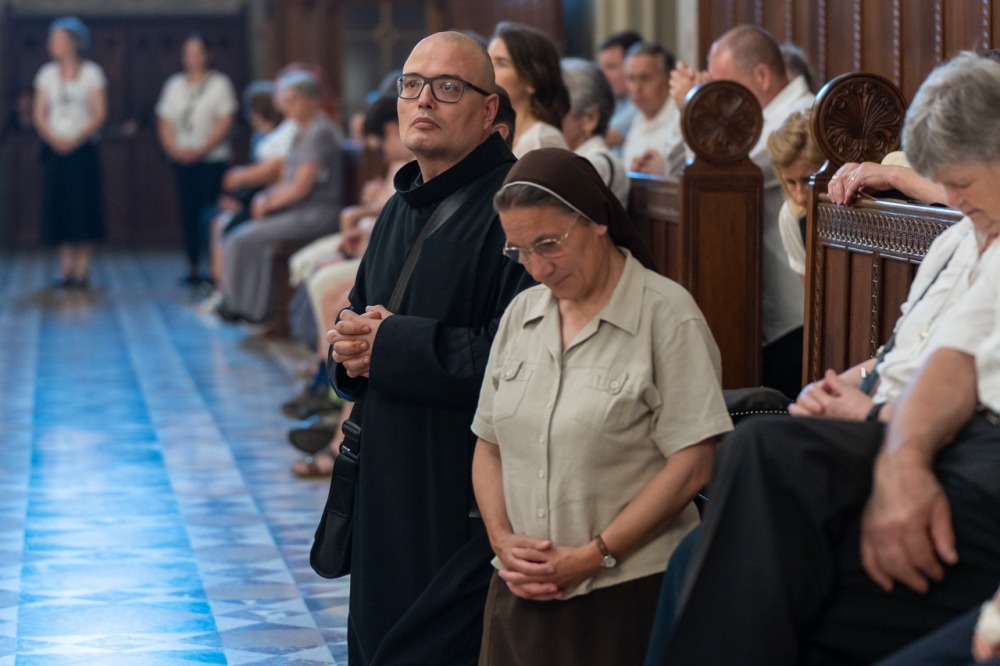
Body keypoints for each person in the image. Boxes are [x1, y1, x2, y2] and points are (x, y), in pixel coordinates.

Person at [654, 52, 1000, 665]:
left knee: (764, 461)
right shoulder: (970, 236)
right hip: (912, 426)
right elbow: (947, 356)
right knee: (728, 515)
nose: (950, 197)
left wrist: (883, 426)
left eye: (959, 184)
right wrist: (865, 405)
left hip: (968, 457)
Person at [471, 148, 731, 665]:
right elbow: (489, 444)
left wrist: (595, 554)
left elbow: (693, 463)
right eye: (520, 251)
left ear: (596, 221)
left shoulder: (666, 315)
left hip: (627, 593)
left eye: (549, 244)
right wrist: (502, 541)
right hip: (519, 591)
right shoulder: (521, 314)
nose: (537, 268)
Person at [325, 31, 534, 664]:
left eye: (447, 88)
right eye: (412, 85)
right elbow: (360, 316)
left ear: (489, 110)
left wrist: (388, 344)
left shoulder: (516, 207)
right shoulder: (400, 203)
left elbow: (520, 358)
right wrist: (348, 350)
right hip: (385, 476)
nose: (423, 101)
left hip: (458, 487)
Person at [673, 24, 814, 398]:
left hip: (795, 306)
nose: (717, 96)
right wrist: (692, 109)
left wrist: (695, 106)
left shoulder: (801, 115)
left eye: (722, 85)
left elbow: (723, 168)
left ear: (762, 76)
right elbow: (680, 171)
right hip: (766, 302)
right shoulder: (761, 118)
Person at [219, 70, 343, 324]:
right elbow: (287, 179)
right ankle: (250, 305)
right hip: (298, 209)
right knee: (244, 236)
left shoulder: (319, 132)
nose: (287, 107)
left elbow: (301, 187)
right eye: (286, 100)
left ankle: (247, 308)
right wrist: (265, 197)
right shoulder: (299, 130)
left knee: (242, 238)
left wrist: (269, 204)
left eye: (293, 100)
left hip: (316, 212)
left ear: (312, 100)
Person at [156, 33, 237, 285]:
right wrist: (175, 149)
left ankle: (214, 267)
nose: (192, 58)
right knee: (187, 212)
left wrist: (201, 149)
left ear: (207, 55)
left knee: (209, 213)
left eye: (197, 53)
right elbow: (164, 120)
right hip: (181, 159)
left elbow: (225, 121)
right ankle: (192, 265)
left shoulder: (220, 84)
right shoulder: (174, 85)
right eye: (187, 53)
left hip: (211, 160)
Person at [33, 16, 107, 290]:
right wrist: (55, 138)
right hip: (55, 150)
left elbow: (99, 113)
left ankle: (82, 269)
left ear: (73, 43)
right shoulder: (46, 74)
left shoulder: (92, 73)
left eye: (57, 40)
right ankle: (66, 269)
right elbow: (40, 115)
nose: (52, 45)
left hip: (82, 149)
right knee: (60, 208)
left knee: (83, 208)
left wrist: (76, 138)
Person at [488, 21, 569, 157]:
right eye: (488, 61)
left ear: (532, 79)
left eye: (501, 63)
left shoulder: (541, 139)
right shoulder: (494, 133)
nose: (488, 71)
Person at [560, 57, 629, 206]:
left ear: (590, 119)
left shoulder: (597, 164)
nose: (548, 118)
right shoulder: (575, 159)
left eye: (559, 111)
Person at [765, 110, 825, 280]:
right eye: (791, 182)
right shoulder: (792, 216)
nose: (800, 197)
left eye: (808, 180)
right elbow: (810, 290)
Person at [621, 42, 685, 177]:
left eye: (645, 78)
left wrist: (667, 170)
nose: (637, 88)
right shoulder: (637, 119)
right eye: (631, 78)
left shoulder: (682, 119)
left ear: (668, 79)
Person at [597, 30, 643, 154]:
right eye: (602, 68)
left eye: (611, 67)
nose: (603, 75)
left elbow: (602, 139)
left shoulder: (641, 103)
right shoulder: (617, 101)